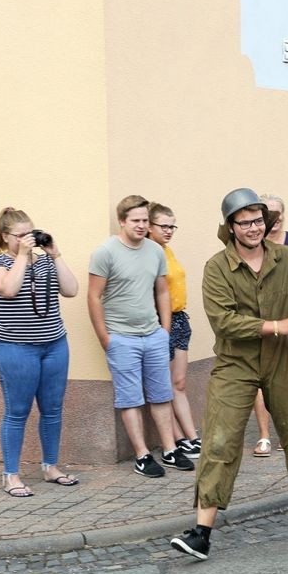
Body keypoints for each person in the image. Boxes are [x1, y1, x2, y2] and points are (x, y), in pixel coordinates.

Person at [170, 188, 288, 561]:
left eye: (259, 220)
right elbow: (224, 322)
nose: (254, 228)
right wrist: (278, 324)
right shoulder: (217, 267)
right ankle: (201, 533)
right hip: (235, 363)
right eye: (244, 222)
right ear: (230, 227)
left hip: (283, 361)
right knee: (220, 441)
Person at [87, 195, 194, 478]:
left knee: (162, 394)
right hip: (121, 338)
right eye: (135, 220)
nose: (141, 225)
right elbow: (94, 296)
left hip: (153, 335)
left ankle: (170, 449)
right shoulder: (105, 252)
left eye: (145, 220)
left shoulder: (154, 251)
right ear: (122, 221)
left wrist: (165, 330)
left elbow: (162, 291)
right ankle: (142, 455)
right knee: (131, 398)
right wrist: (105, 338)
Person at [0, 207, 80, 497]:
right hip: (16, 348)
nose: (27, 239)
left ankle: (50, 467)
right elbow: (9, 289)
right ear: (5, 236)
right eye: (20, 235)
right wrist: (23, 257)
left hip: (54, 345)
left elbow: (72, 290)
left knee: (52, 409)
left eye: (31, 233)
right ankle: (10, 475)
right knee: (17, 411)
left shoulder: (44, 262)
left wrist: (55, 254)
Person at [251, 194, 288, 457]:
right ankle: (264, 435)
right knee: (260, 381)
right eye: (268, 214)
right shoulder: (253, 244)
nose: (274, 219)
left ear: (283, 215)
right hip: (262, 321)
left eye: (277, 213)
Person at [148, 202, 201, 460]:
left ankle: (192, 436)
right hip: (161, 320)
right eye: (164, 226)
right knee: (164, 385)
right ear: (149, 226)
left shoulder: (166, 251)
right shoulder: (148, 253)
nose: (169, 231)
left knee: (178, 382)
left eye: (172, 226)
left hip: (180, 318)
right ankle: (178, 437)